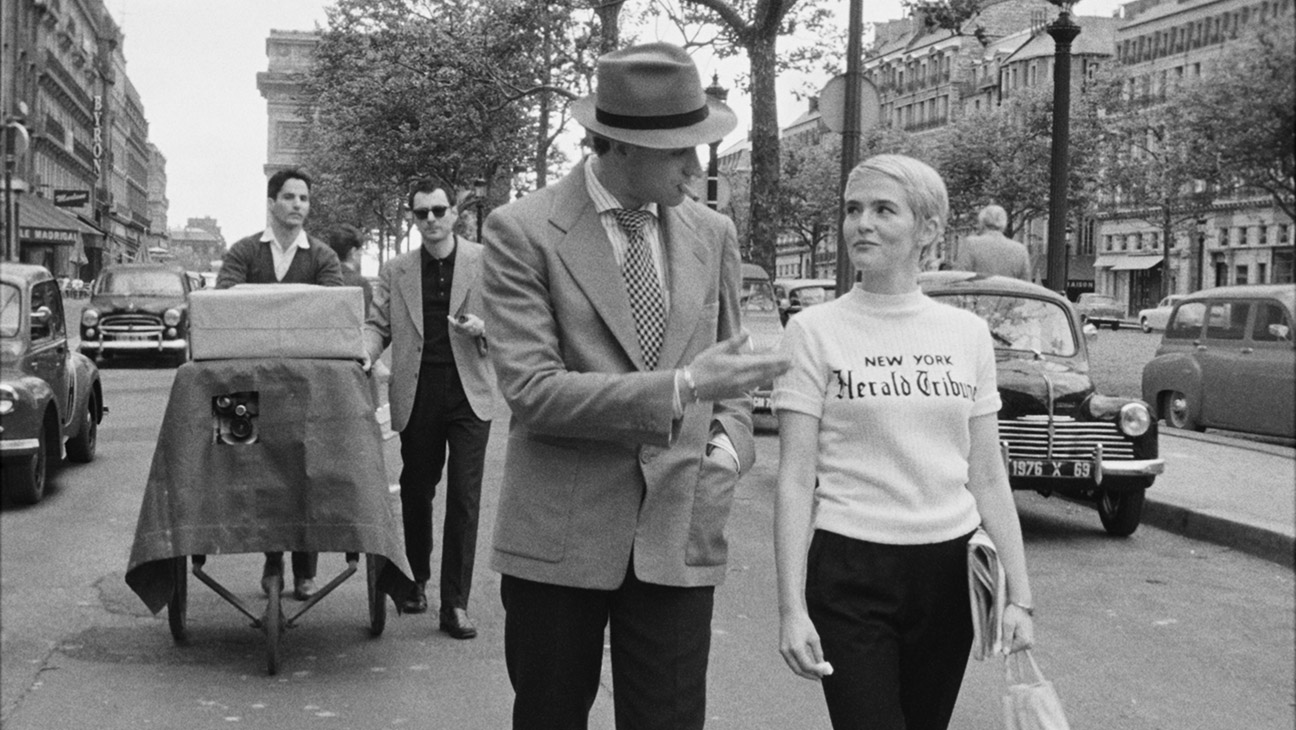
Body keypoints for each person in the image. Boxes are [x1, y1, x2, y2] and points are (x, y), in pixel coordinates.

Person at [481, 42, 790, 730]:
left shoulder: (712, 233)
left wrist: (730, 450)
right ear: (617, 146)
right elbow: (532, 391)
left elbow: (729, 376)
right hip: (559, 542)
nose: (695, 167)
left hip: (679, 531)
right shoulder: (522, 232)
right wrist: (680, 386)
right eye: (680, 151)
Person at [772, 155, 1035, 730]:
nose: (861, 223)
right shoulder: (813, 331)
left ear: (929, 230)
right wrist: (792, 608)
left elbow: (988, 475)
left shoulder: (966, 335)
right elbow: (794, 479)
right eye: (852, 209)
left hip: (950, 572)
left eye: (883, 210)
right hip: (850, 568)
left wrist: (1019, 596)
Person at [363, 180, 496, 639]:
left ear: (455, 212)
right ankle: (417, 580)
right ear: (413, 220)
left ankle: (455, 603)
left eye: (439, 210)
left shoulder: (485, 261)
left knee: (465, 497)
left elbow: (519, 318)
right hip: (417, 392)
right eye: (422, 214)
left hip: (469, 393)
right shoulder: (396, 270)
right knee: (418, 490)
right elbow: (376, 325)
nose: (432, 220)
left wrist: (485, 328)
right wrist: (366, 355)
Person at [216, 167, 344, 601]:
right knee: (254, 472)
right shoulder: (243, 251)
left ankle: (305, 569)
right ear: (272, 202)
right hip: (246, 386)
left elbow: (331, 316)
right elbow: (222, 313)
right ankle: (272, 561)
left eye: (304, 199)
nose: (297, 206)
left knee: (306, 472)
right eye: (289, 197)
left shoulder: (323, 257)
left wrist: (261, 309)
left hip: (304, 386)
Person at [951, 204, 1031, 280]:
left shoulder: (971, 244)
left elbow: (958, 278)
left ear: (981, 223)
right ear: (1004, 225)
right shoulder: (1020, 251)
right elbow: (1028, 287)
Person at [325, 223, 373, 315]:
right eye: (360, 251)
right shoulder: (360, 284)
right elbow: (366, 320)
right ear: (353, 252)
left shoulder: (320, 277)